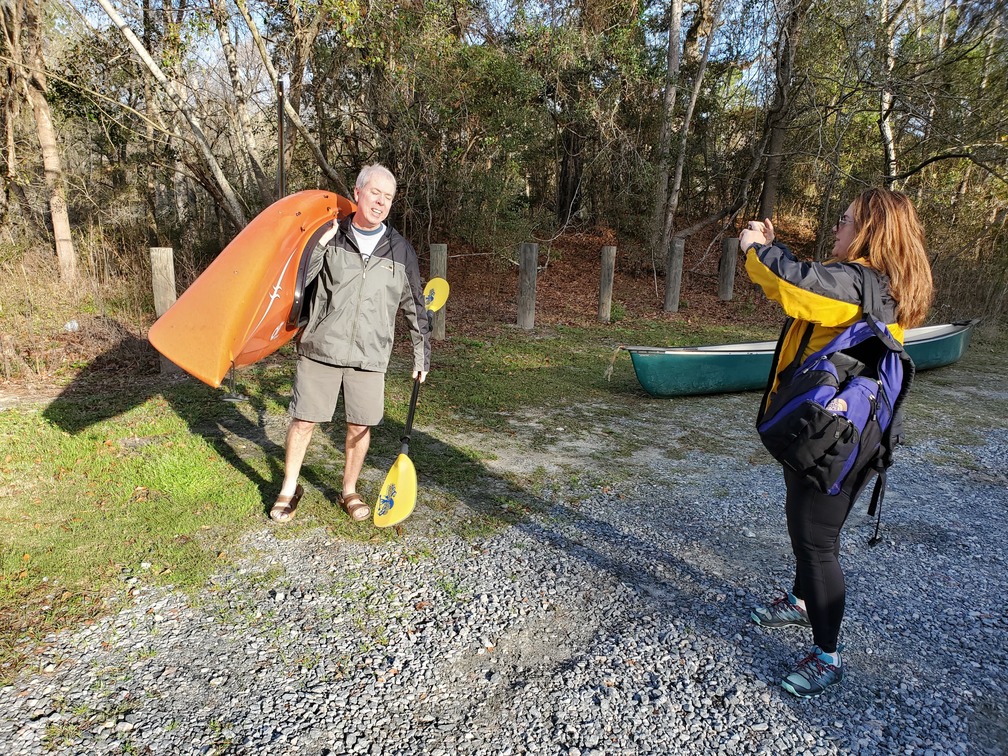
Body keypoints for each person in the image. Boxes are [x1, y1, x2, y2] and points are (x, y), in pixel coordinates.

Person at [739, 188, 933, 698]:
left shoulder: (861, 284)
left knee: (815, 539)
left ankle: (828, 655)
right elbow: (816, 286)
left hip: (840, 435)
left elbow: (793, 284)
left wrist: (755, 249)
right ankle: (802, 602)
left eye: (845, 222)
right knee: (803, 521)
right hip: (831, 425)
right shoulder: (874, 284)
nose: (836, 229)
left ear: (869, 231)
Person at [270, 164, 430, 524]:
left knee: (360, 425)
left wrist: (422, 355)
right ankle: (289, 487)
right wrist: (318, 247)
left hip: (370, 356)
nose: (381, 202)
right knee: (304, 421)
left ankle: (349, 490)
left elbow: (415, 307)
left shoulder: (401, 250)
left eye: (388, 197)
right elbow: (298, 284)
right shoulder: (331, 235)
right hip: (321, 349)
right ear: (357, 193)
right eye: (375, 193)